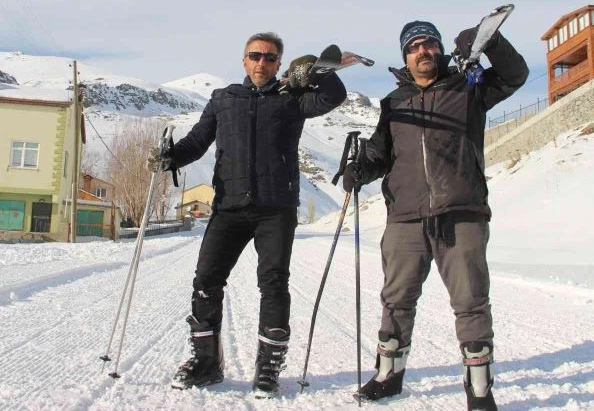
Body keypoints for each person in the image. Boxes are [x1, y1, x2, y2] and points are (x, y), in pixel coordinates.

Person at [148, 32, 347, 398]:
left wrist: (317, 75)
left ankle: (268, 367)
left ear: (278, 64)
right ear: (244, 60)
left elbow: (334, 98)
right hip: (229, 207)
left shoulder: (292, 99)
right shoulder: (224, 99)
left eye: (270, 58)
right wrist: (170, 158)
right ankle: (206, 363)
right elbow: (197, 141)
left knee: (273, 284)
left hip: (276, 209)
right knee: (206, 281)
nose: (261, 63)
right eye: (255, 56)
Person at [344, 20, 528, 410]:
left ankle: (479, 389)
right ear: (405, 57)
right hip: (406, 218)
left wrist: (490, 40)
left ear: (440, 50)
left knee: (471, 301)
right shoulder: (393, 104)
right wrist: (360, 170)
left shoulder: (467, 89)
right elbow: (380, 153)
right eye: (414, 46)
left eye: (429, 44)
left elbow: (515, 75)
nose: (423, 51)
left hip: (460, 212)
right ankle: (388, 375)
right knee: (396, 299)